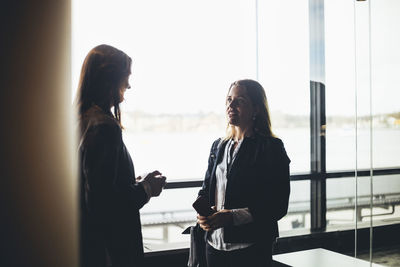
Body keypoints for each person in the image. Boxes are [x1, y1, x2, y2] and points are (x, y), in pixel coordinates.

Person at [76, 44, 166, 267]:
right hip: (109, 250)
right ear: (111, 79)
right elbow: (103, 204)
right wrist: (146, 189)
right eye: (126, 78)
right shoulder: (104, 127)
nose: (129, 85)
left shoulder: (78, 121)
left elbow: (92, 185)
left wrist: (130, 183)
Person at [196, 79, 291, 267]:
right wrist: (203, 216)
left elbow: (278, 205)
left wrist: (232, 216)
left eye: (239, 101)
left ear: (256, 109)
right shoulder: (219, 146)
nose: (231, 105)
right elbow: (206, 190)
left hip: (251, 249)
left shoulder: (271, 147)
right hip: (213, 246)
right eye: (229, 99)